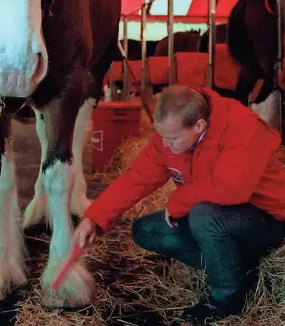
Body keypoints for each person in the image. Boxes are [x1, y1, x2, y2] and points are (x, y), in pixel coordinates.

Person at [73, 85, 285, 325]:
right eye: (161, 136)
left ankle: (227, 299)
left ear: (199, 126)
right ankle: (237, 269)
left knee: (203, 216)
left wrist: (177, 203)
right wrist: (94, 218)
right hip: (215, 219)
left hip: (266, 220)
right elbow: (136, 178)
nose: (165, 145)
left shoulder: (242, 126)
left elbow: (230, 188)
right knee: (147, 230)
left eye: (172, 139)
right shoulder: (171, 137)